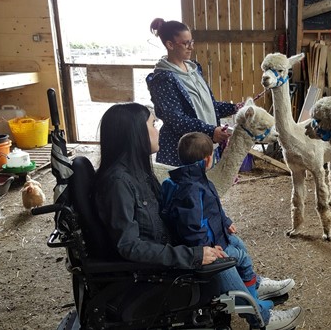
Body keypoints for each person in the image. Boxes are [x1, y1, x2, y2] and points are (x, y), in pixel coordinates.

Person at [94, 103, 302, 330]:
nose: (157, 130)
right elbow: (130, 246)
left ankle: (252, 283)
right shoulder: (119, 183)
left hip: (171, 246)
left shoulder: (139, 173)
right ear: (135, 133)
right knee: (220, 258)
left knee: (227, 240)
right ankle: (261, 318)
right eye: (153, 124)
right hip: (158, 267)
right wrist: (193, 253)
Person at [161, 132, 303, 330]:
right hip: (210, 247)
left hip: (218, 236)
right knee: (242, 259)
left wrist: (226, 222)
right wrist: (206, 248)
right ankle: (259, 314)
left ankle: (255, 286)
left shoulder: (197, 180)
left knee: (238, 243)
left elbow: (213, 209)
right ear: (208, 159)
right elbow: (191, 227)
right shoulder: (190, 189)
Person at [147, 18, 238, 167]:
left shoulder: (194, 69)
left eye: (192, 42)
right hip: (182, 152)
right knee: (187, 190)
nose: (191, 47)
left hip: (204, 145)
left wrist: (234, 108)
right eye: (186, 43)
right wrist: (211, 130)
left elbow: (208, 106)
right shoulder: (163, 79)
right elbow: (177, 120)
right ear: (170, 45)